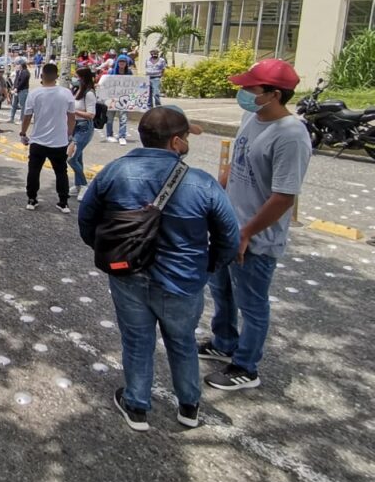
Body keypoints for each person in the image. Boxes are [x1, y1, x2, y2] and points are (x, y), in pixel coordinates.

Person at [78, 107, 240, 432]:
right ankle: (189, 406)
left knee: (137, 341)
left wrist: (107, 253)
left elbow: (87, 219)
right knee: (182, 342)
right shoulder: (202, 183)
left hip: (127, 275)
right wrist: (207, 267)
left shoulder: (114, 171)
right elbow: (229, 237)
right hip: (183, 280)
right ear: (176, 141)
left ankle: (137, 405)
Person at [200, 59, 312, 392]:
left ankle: (246, 366)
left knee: (252, 302)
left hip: (256, 239)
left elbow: (284, 197)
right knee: (221, 291)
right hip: (227, 228)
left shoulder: (291, 135)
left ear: (274, 94)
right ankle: (224, 342)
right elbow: (235, 164)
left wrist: (246, 232)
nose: (243, 92)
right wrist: (215, 199)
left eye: (251, 88)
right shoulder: (252, 117)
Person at [20, 63, 76, 214]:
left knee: (34, 170)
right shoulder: (66, 93)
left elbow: (27, 116)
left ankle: (32, 199)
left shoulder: (35, 94)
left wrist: (23, 133)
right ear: (57, 76)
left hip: (38, 140)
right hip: (59, 141)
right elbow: (72, 117)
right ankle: (63, 202)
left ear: (42, 76)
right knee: (61, 172)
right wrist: (69, 134)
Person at [68, 67, 97, 202]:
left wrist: (75, 111)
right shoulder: (77, 90)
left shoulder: (89, 94)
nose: (75, 79)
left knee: (71, 157)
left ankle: (85, 185)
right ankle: (78, 184)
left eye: (77, 77)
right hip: (75, 126)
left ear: (83, 78)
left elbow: (91, 114)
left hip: (84, 127)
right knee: (78, 158)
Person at [104, 54, 134, 145]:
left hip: (124, 99)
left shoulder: (129, 73)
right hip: (111, 98)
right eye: (120, 61)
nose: (122, 63)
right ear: (117, 62)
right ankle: (109, 135)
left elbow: (133, 84)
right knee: (109, 118)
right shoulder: (111, 72)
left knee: (123, 118)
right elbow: (105, 83)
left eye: (124, 62)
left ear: (126, 63)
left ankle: (122, 136)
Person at [8, 57, 30, 123]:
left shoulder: (26, 72)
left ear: (22, 65)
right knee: (14, 104)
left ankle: (22, 119)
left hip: (23, 90)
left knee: (22, 105)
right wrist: (14, 87)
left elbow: (22, 82)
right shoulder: (18, 71)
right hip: (16, 90)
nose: (17, 65)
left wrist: (17, 88)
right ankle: (11, 118)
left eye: (18, 64)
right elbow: (16, 80)